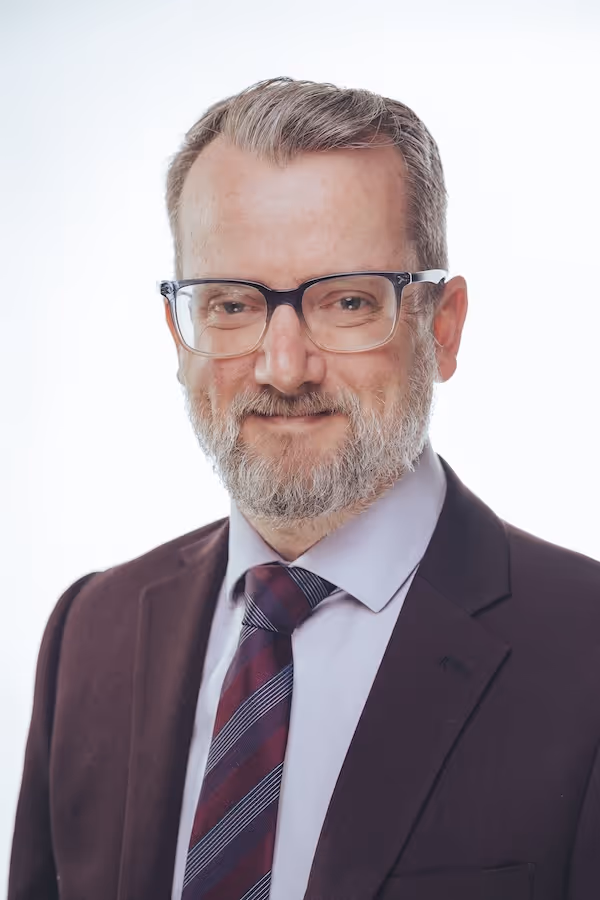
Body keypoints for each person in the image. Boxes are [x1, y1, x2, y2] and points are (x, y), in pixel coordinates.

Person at [8, 76, 600, 900]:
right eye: (231, 305)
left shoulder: (585, 652)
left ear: (443, 326)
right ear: (179, 334)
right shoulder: (90, 632)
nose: (284, 368)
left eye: (347, 301)